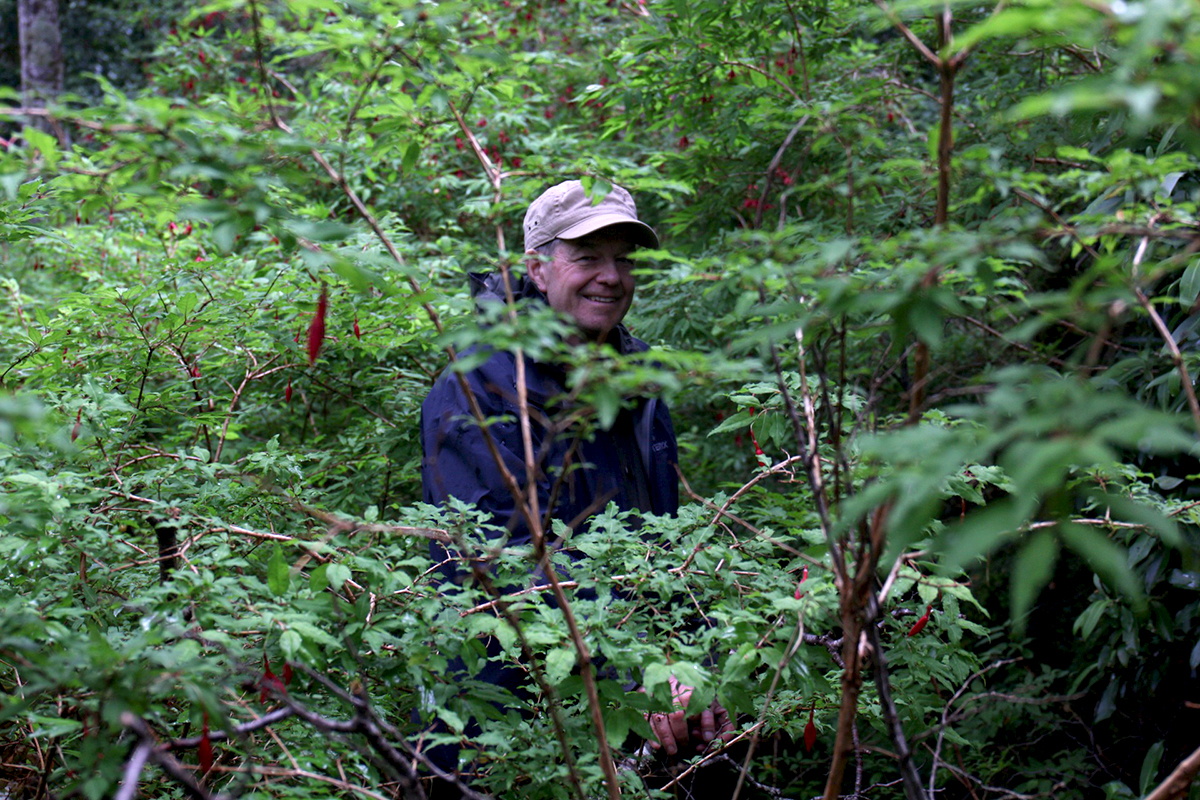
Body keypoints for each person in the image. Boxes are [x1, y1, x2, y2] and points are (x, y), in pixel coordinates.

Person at [419, 179, 731, 772]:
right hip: (506, 715)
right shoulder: (481, 388)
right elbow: (500, 570)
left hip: (630, 713)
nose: (610, 277)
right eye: (587, 257)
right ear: (538, 269)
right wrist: (632, 680)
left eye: (623, 260)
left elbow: (665, 545)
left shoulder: (637, 384)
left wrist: (693, 667)